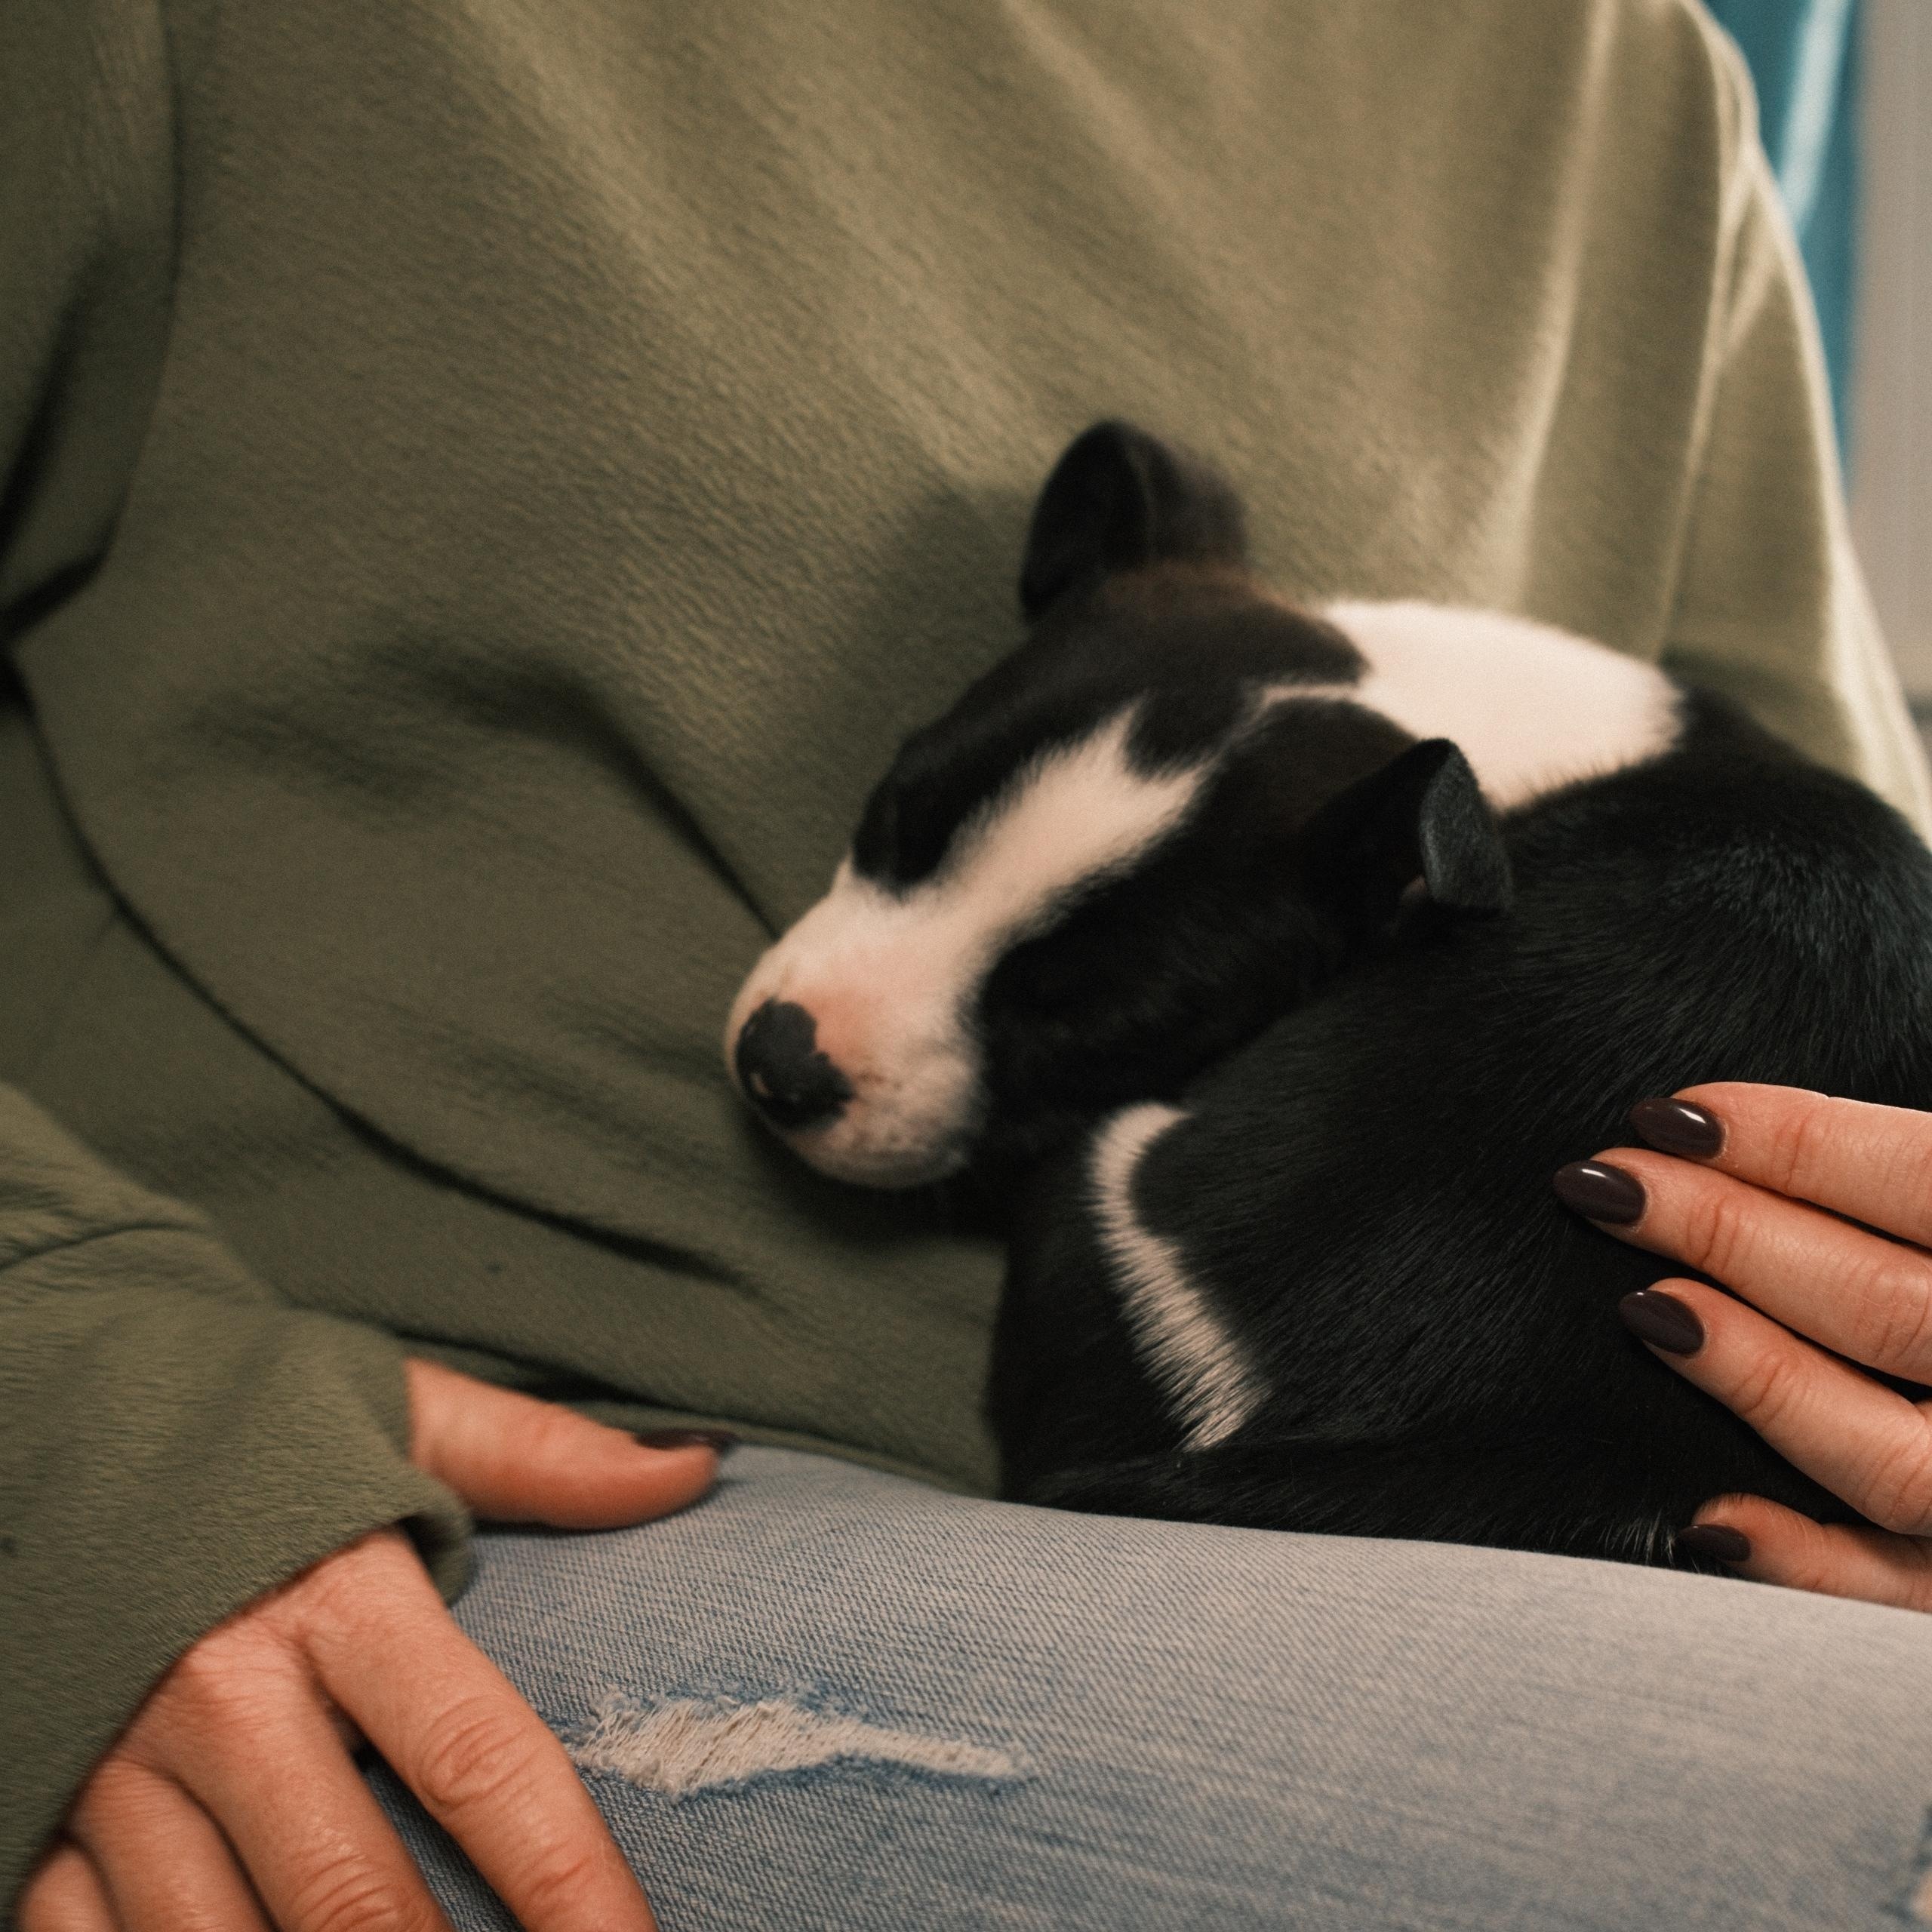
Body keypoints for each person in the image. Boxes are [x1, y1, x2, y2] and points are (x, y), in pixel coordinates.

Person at [6, 2, 1932, 1927]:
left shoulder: (1625, 73)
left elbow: (1840, 956)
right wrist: (69, 1397)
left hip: (1457, 1488)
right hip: (452, 1466)